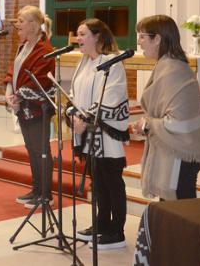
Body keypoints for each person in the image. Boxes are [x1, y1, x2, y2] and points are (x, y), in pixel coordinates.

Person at [130, 15, 200, 200]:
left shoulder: (173, 69)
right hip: (176, 149)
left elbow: (178, 122)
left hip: (182, 152)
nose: (139, 42)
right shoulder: (167, 65)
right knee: (173, 210)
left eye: (142, 36)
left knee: (180, 210)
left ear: (157, 39)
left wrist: (147, 124)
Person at [67, 19, 130, 250]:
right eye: (78, 35)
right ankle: (101, 223)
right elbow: (73, 94)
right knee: (98, 183)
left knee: (112, 182)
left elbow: (112, 97)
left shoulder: (112, 63)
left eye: (83, 34)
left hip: (107, 136)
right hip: (89, 136)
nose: (78, 39)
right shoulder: (84, 62)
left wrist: (84, 119)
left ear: (97, 36)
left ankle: (117, 231)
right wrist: (73, 116)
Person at [4, 5, 56, 208]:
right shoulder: (23, 46)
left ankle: (46, 194)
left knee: (40, 149)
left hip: (37, 108)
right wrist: (9, 93)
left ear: (34, 25)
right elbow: (13, 71)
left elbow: (40, 81)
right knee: (31, 149)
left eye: (21, 21)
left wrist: (17, 96)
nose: (18, 24)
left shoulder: (45, 50)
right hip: (22, 105)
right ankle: (36, 189)